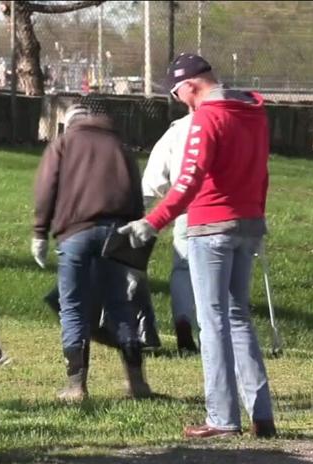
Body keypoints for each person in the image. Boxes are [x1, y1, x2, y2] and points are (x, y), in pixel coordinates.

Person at [119, 54, 276, 438]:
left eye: (177, 93)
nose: (179, 101)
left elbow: (188, 180)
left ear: (191, 84)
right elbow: (262, 172)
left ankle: (221, 418)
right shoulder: (253, 112)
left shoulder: (207, 117)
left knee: (213, 321)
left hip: (210, 227)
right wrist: (257, 215)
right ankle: (262, 415)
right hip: (248, 224)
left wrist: (152, 222)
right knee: (238, 316)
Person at [32, 101, 151, 401]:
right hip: (117, 233)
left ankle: (76, 385)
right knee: (120, 305)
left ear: (69, 122)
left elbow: (46, 188)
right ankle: (137, 382)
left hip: (75, 234)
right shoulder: (120, 146)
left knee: (73, 307)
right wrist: (134, 236)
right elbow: (135, 193)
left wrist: (40, 232)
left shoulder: (63, 144)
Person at [141, 110, 200, 354]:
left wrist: (140, 208)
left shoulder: (180, 129)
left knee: (184, 269)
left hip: (187, 210)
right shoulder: (237, 124)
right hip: (229, 214)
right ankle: (217, 334)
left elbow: (154, 177)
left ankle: (184, 323)